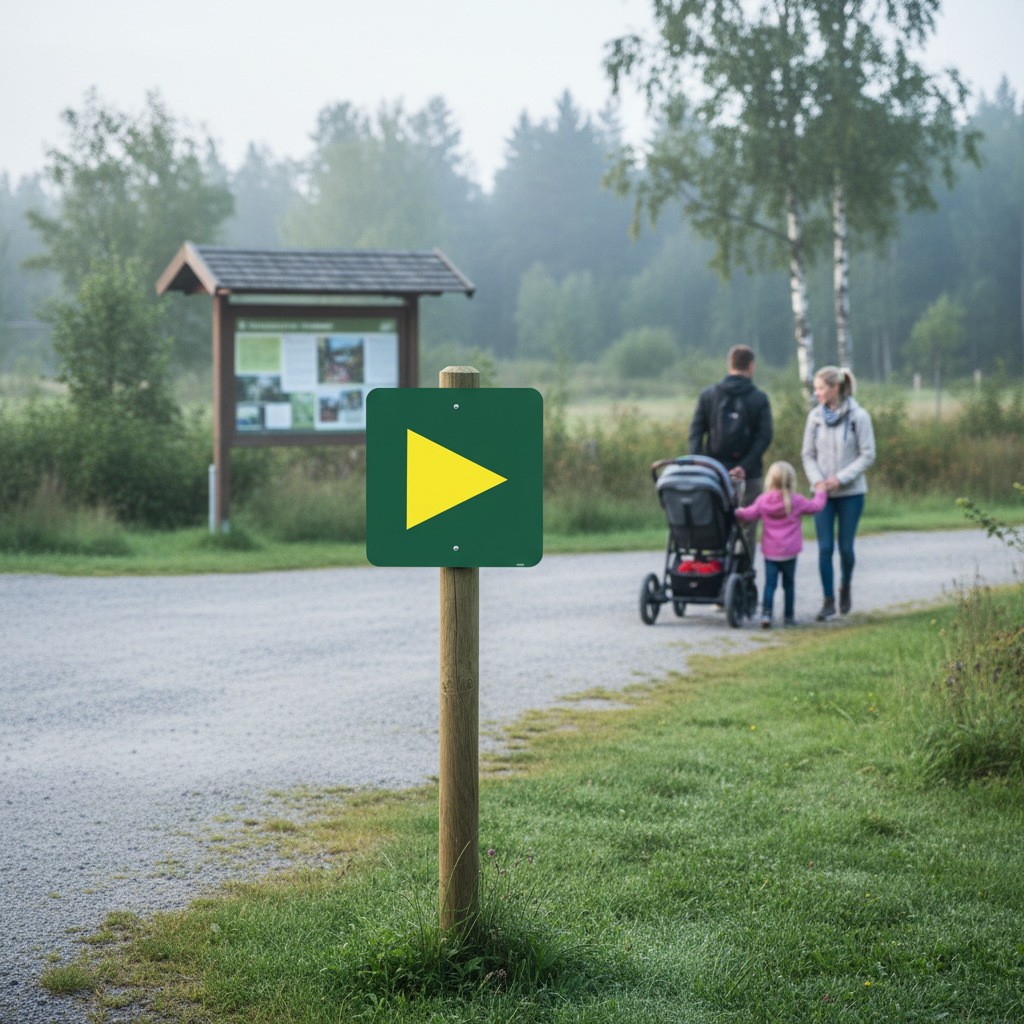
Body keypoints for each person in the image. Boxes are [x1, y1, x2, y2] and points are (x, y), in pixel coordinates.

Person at [801, 366, 876, 621]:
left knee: (845, 547)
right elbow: (807, 454)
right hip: (822, 494)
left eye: (821, 388)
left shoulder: (859, 417)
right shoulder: (814, 418)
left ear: (835, 388)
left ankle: (845, 585)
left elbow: (868, 454)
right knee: (824, 548)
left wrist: (840, 478)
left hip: (851, 493)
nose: (817, 393)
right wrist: (819, 481)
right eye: (816, 388)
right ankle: (828, 600)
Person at [689, 345, 774, 557]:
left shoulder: (708, 395)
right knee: (747, 525)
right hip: (749, 473)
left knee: (715, 520)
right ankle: (742, 575)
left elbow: (696, 432)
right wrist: (745, 466)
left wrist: (701, 464)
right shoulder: (759, 398)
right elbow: (765, 435)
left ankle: (716, 567)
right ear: (751, 366)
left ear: (730, 365)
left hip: (714, 472)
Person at [735, 461, 827, 627]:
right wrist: (821, 491)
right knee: (789, 585)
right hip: (790, 552)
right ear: (792, 480)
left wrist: (736, 511)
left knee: (770, 584)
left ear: (770, 480)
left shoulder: (763, 501)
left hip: (771, 552)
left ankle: (766, 615)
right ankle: (789, 617)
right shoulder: (796, 501)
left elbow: (748, 515)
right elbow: (816, 506)